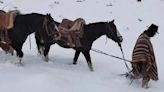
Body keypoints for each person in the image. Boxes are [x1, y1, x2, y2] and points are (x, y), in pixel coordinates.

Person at [131, 24, 159, 88]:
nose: (154, 35)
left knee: (145, 70)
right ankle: (144, 86)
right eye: (154, 33)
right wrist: (146, 58)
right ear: (152, 31)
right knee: (147, 70)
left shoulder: (144, 36)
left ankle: (144, 84)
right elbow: (141, 49)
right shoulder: (144, 38)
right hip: (143, 59)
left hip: (142, 58)